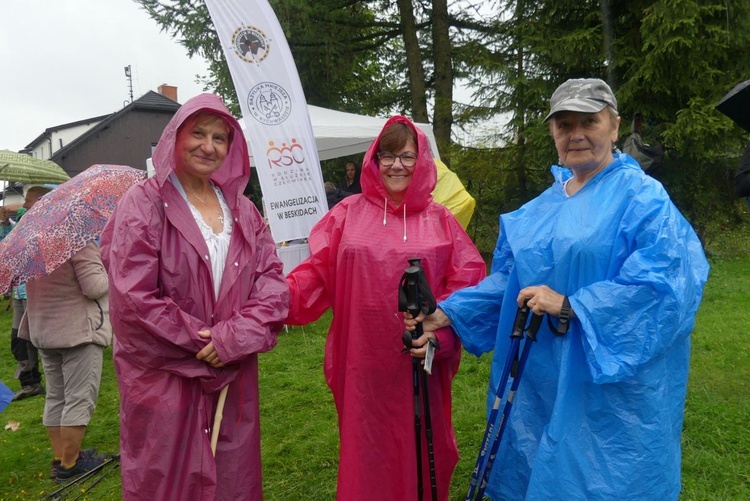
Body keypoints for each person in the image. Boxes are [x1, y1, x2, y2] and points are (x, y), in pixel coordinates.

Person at [406, 78, 709, 500]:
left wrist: (574, 305)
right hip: (542, 376)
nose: (577, 134)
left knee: (602, 479)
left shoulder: (642, 198)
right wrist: (450, 313)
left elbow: (668, 285)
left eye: (590, 121)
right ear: (553, 133)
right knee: (545, 469)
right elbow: (511, 283)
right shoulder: (543, 206)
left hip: (609, 390)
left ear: (615, 126)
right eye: (565, 125)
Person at [285, 116, 486, 500]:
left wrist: (439, 336)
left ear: (422, 160)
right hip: (362, 364)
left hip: (419, 362)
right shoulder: (347, 214)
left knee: (420, 449)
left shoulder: (440, 219)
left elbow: (468, 285)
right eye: (388, 155)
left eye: (407, 156)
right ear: (373, 161)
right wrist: (273, 299)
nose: (397, 165)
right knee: (368, 450)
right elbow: (315, 273)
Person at [100, 94, 289, 500]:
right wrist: (204, 343)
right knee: (168, 482)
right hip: (166, 380)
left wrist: (233, 339)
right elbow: (132, 298)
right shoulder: (144, 203)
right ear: (175, 137)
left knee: (232, 481)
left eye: (220, 137)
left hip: (233, 379)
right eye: (198, 133)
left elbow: (272, 281)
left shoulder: (242, 210)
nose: (209, 146)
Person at [19, 242, 111, 483]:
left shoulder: (33, 248)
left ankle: (63, 458)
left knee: (56, 396)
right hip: (77, 331)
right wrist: (113, 270)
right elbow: (94, 287)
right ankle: (70, 464)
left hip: (44, 330)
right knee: (79, 397)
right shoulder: (78, 244)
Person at [1, 186, 52, 401]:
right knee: (19, 339)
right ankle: (31, 382)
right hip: (20, 293)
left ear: (39, 201)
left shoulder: (45, 226)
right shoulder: (22, 224)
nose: (23, 205)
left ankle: (47, 381)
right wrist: (4, 224)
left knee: (39, 339)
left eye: (27, 200)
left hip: (36, 292)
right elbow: (6, 246)